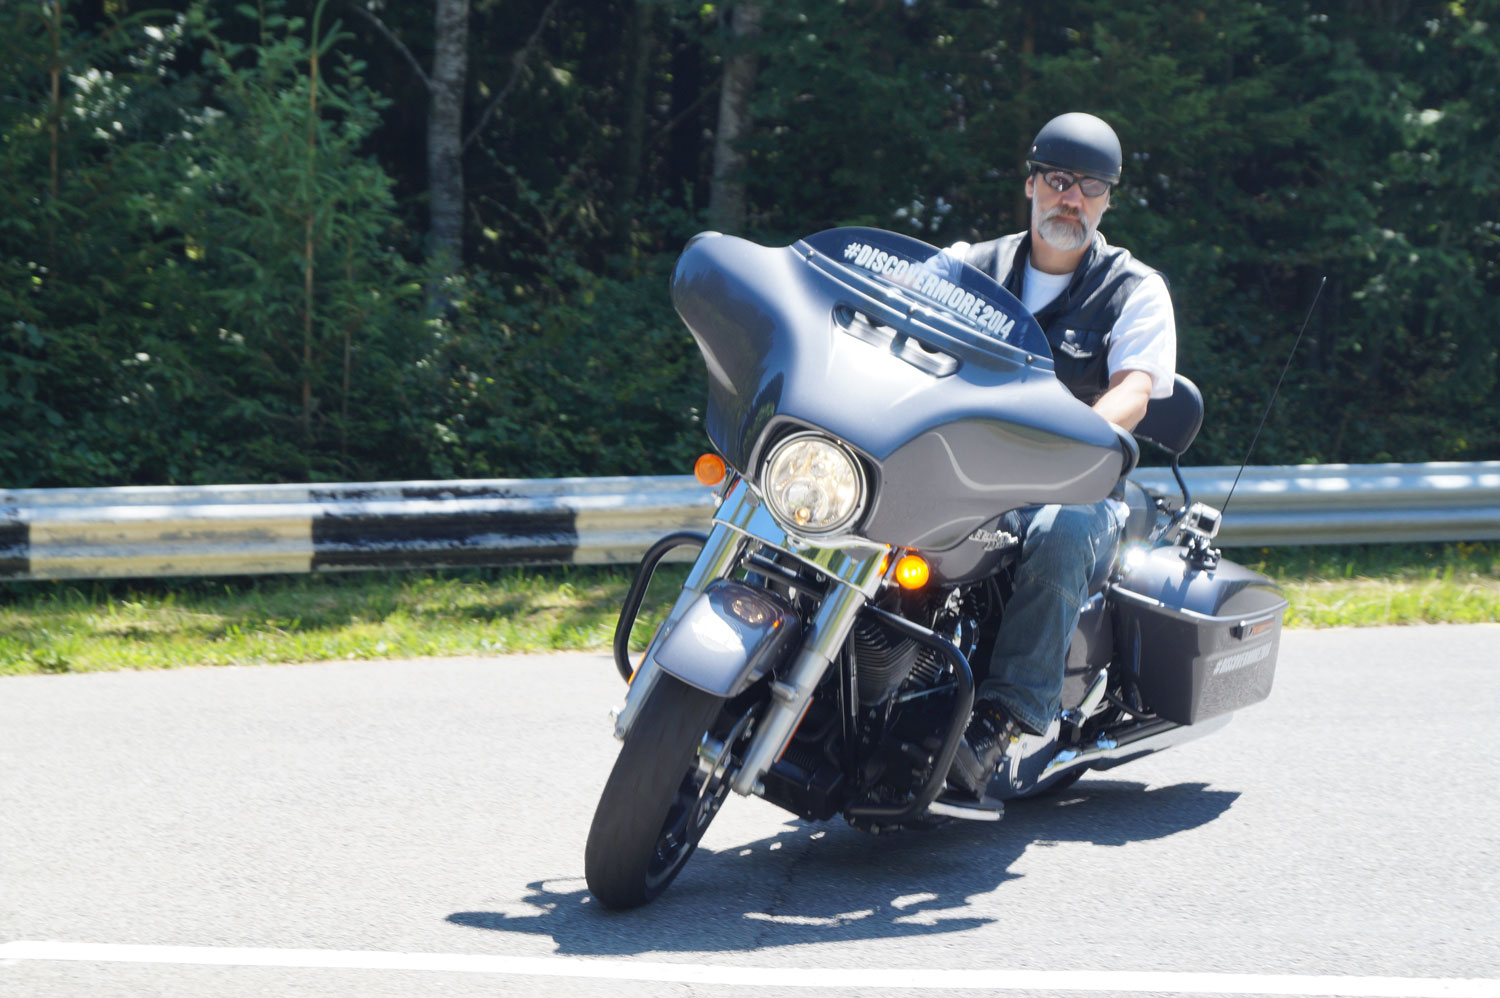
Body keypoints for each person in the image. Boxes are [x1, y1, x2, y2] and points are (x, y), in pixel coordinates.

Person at [946, 111, 1178, 797]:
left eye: (1091, 186)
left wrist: (1071, 445)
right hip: (961, 472)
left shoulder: (1134, 290)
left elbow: (1134, 389)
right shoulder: (966, 266)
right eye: (1058, 179)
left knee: (1065, 523)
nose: (1071, 198)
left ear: (1107, 200)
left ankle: (1004, 720)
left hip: (1073, 484)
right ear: (1031, 183)